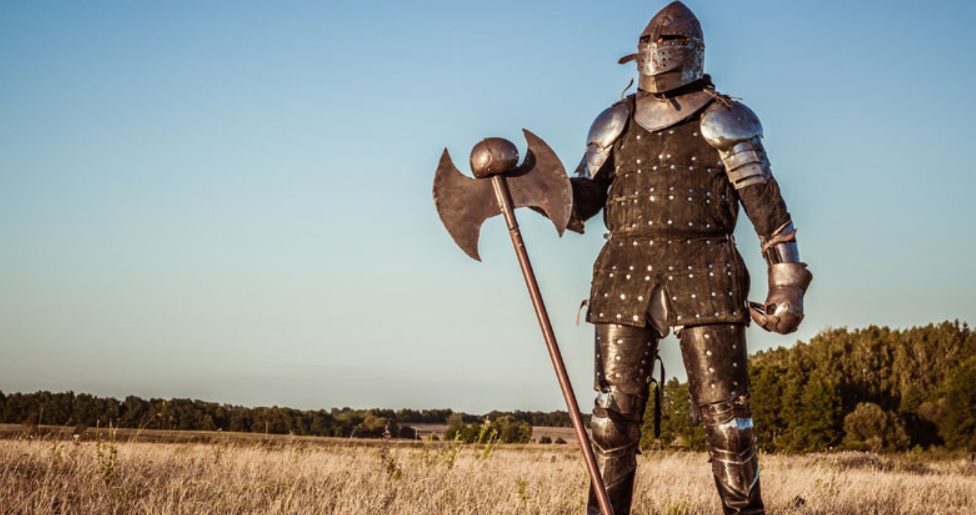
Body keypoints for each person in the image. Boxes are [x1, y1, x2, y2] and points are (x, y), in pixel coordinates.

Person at [567, 2, 812, 514]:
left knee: (729, 423)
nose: (657, 56)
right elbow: (583, 198)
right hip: (624, 272)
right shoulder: (615, 121)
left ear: (690, 51)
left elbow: (766, 205)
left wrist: (785, 281)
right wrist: (534, 188)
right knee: (610, 420)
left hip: (705, 270)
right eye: (650, 47)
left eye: (667, 46)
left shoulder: (726, 118)